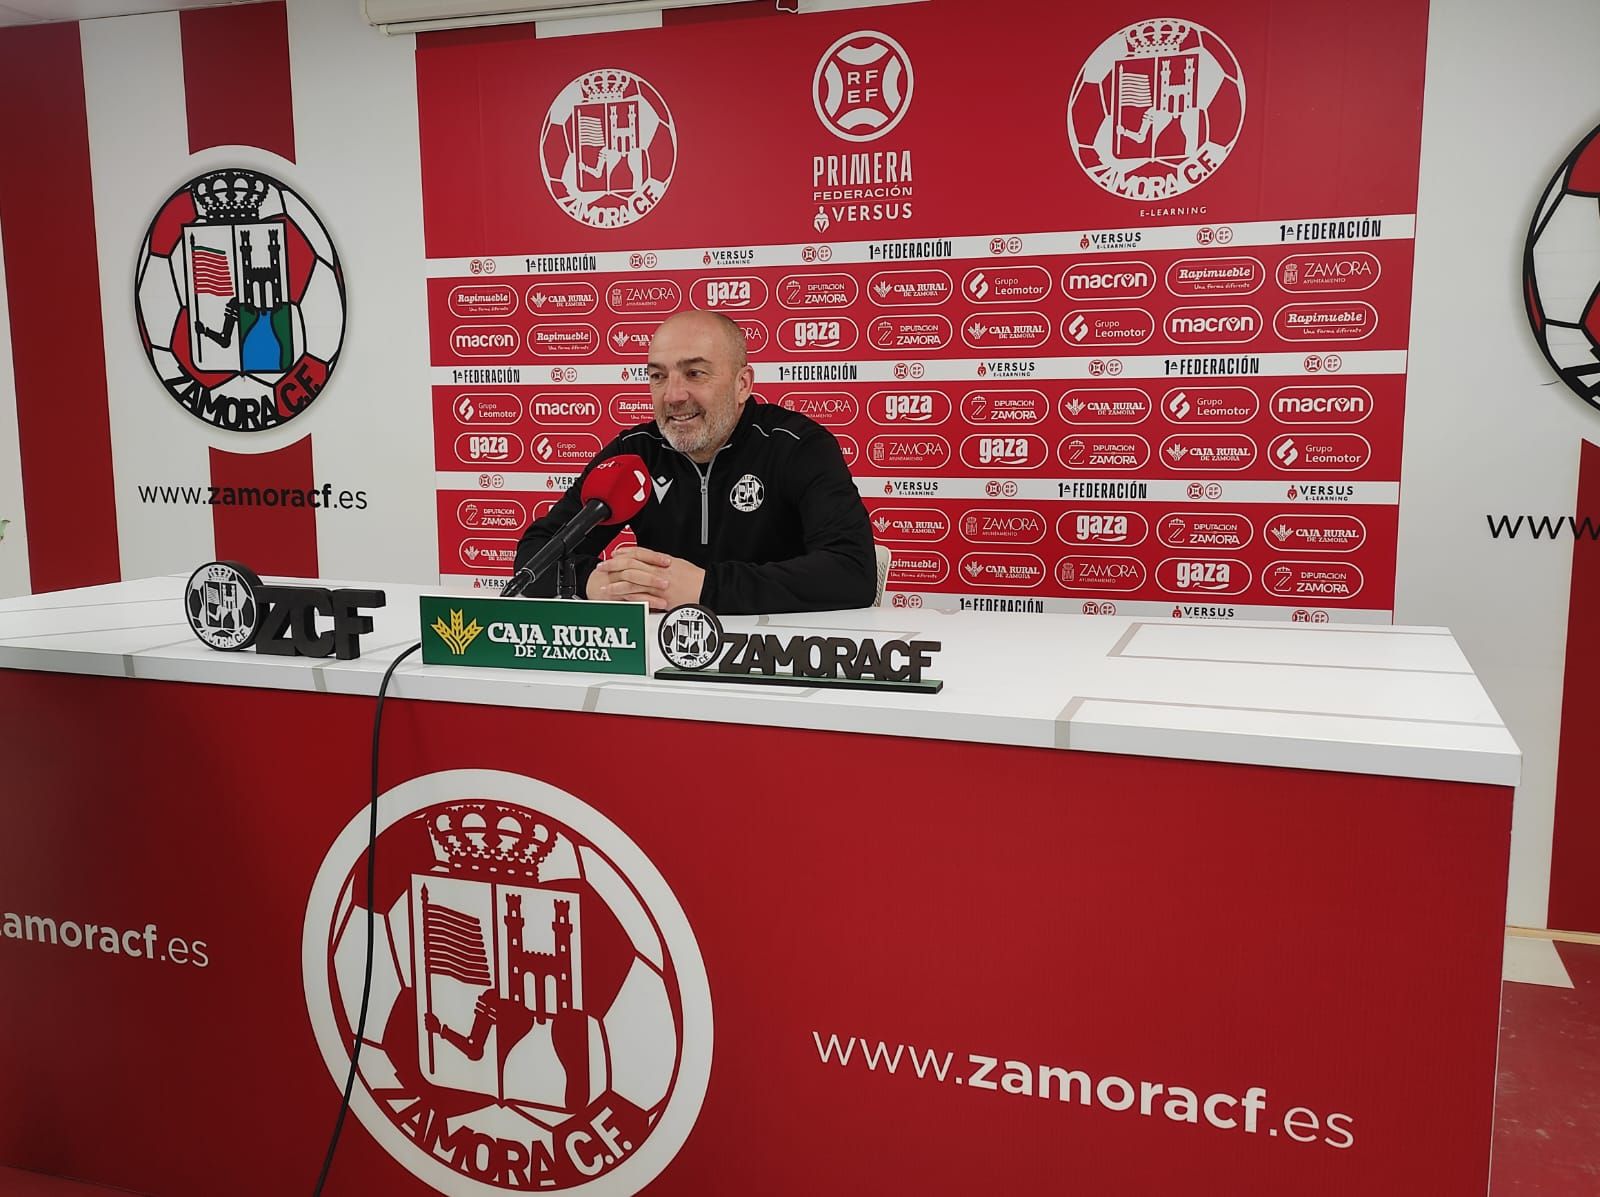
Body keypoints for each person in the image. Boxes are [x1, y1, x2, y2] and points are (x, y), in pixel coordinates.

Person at [510, 309, 876, 614]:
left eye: (695, 373)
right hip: (659, 662)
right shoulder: (634, 452)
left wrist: (705, 588)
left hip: (773, 659)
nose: (673, 395)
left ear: (742, 384)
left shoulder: (798, 446)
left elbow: (852, 572)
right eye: (658, 376)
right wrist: (592, 581)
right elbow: (535, 556)